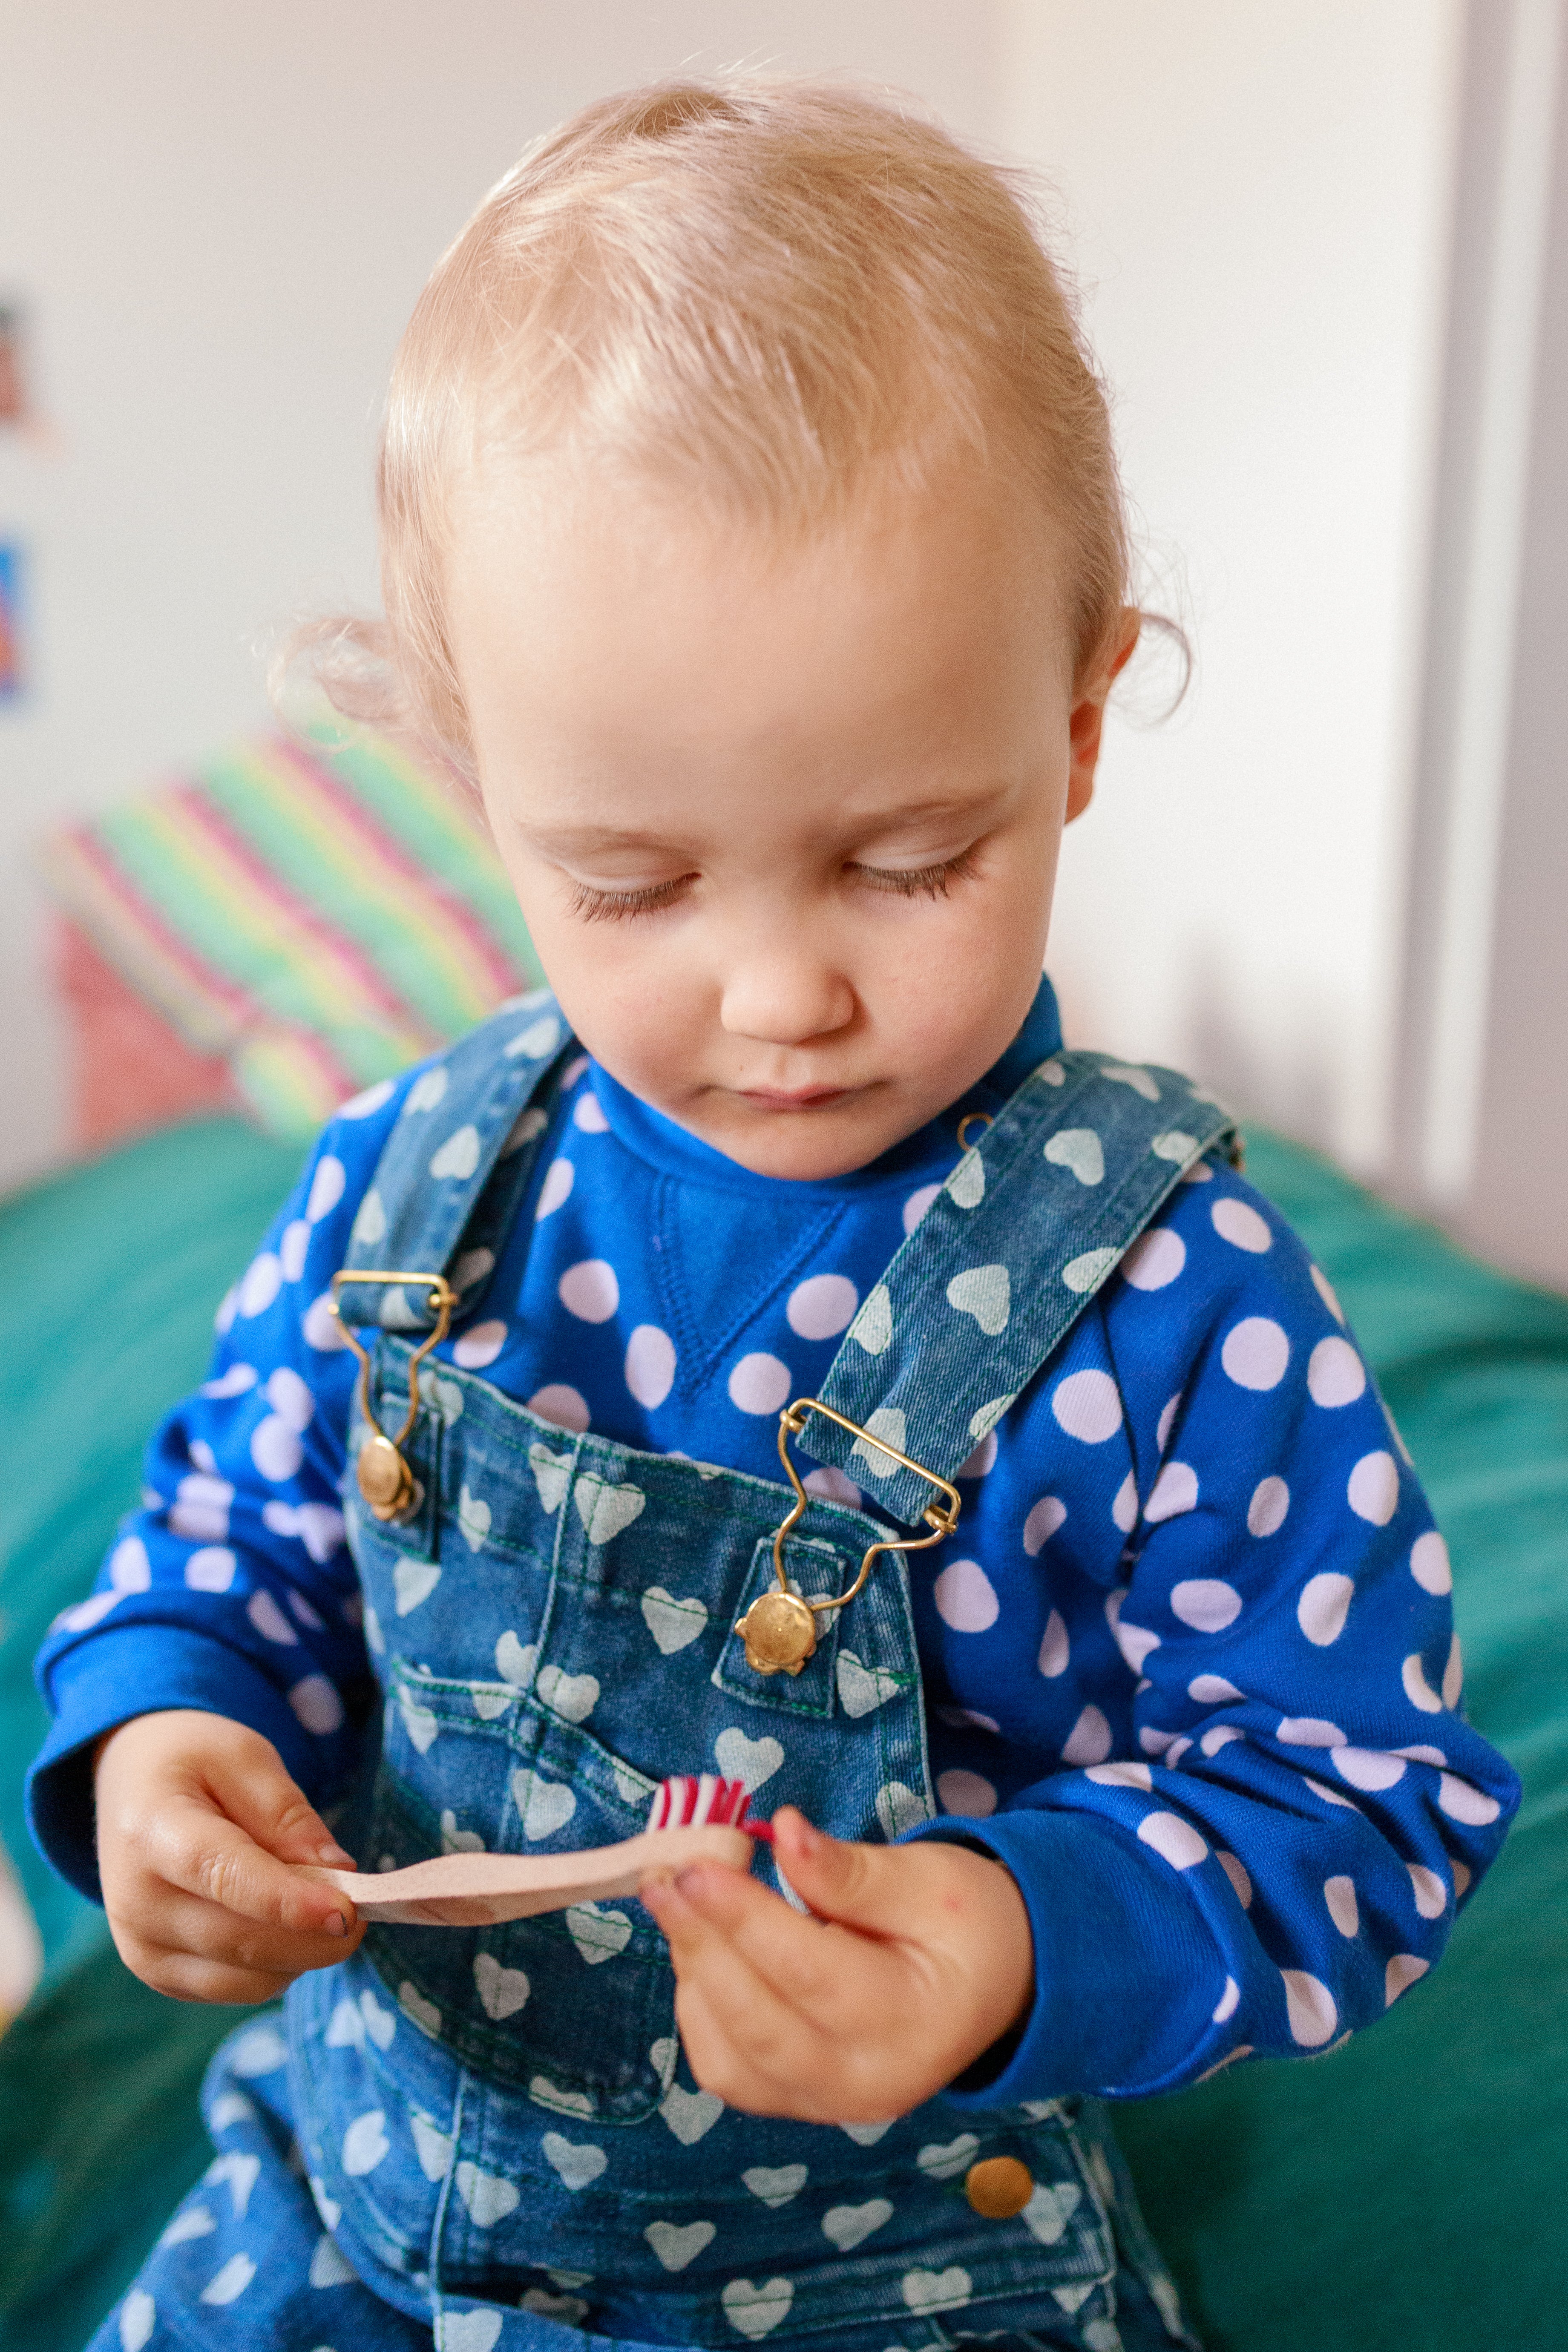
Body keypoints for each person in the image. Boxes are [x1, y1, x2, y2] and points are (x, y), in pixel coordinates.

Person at [29, 77, 1518, 2352]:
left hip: (905, 2288)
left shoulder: (1167, 1295)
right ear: (476, 790)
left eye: (911, 856)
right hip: (358, 2214)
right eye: (629, 880)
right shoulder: (409, 1182)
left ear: (1083, 713)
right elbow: (230, 1537)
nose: (785, 992)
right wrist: (165, 1729)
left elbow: (1363, 1797)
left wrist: (1023, 1932)